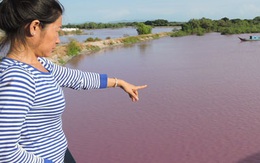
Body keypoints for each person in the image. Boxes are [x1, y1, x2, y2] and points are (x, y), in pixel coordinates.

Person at [0, 0, 147, 162]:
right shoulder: (18, 79)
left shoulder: (39, 64)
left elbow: (77, 79)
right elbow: (4, 150)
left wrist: (119, 82)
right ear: (34, 27)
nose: (58, 40)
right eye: (56, 31)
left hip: (59, 153)